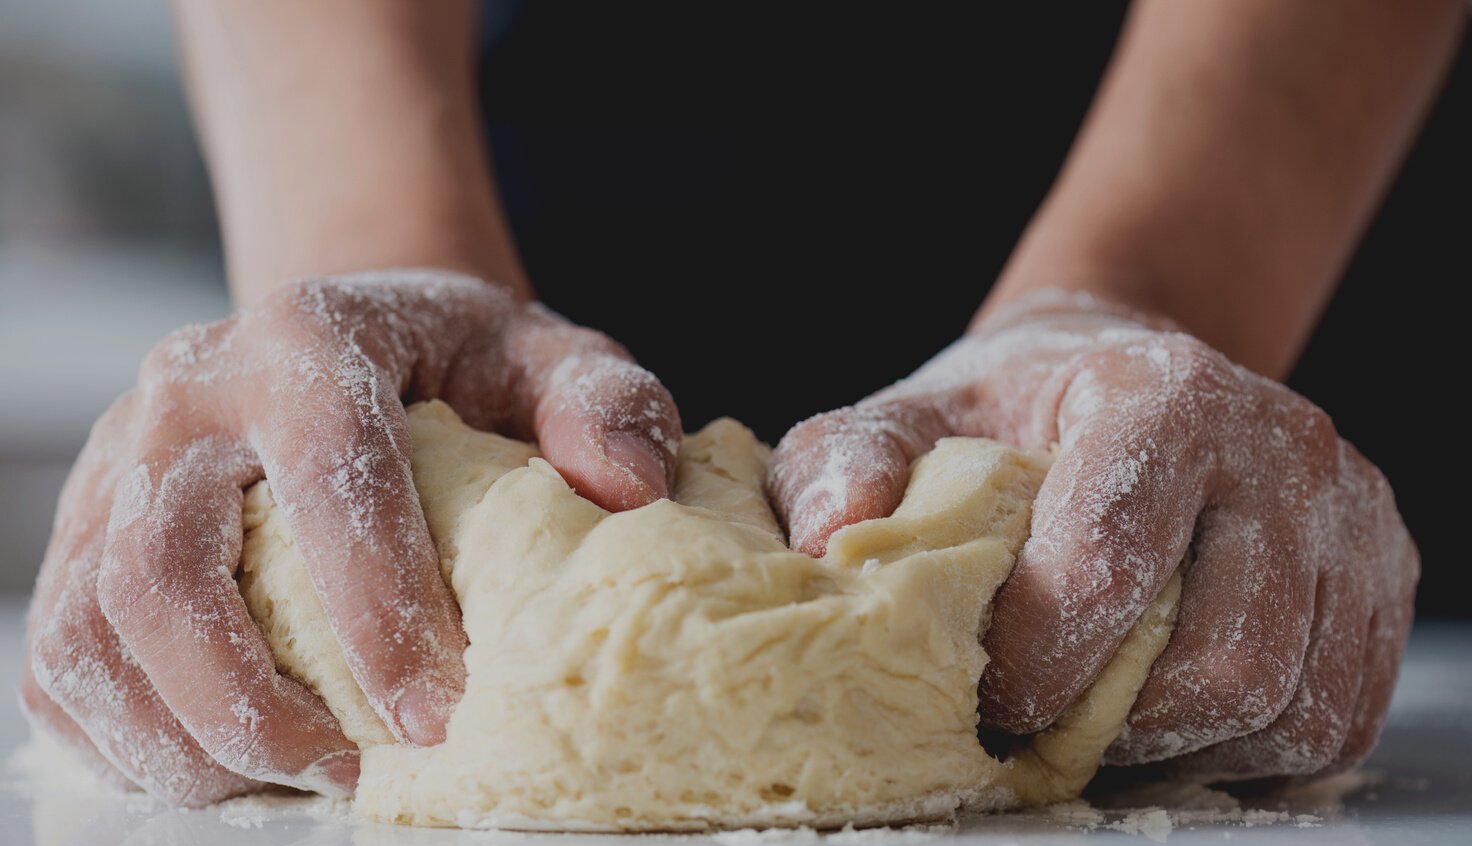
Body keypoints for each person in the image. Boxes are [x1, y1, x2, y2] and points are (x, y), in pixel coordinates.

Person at [20, 0, 1456, 804]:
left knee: (1169, 580)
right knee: (380, 554)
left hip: (1265, 206)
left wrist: (1156, 282)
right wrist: (373, 240)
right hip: (547, 151)